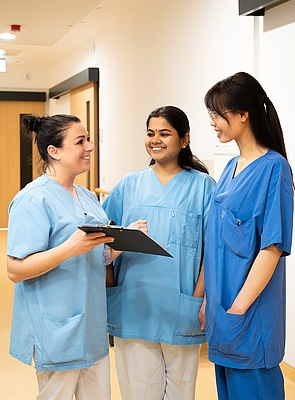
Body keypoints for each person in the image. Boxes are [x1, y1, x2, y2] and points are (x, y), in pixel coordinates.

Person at [103, 105, 216, 400]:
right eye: (151, 133)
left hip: (182, 306)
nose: (156, 139)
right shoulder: (129, 185)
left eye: (165, 133)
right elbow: (103, 239)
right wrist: (111, 286)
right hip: (133, 304)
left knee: (181, 392)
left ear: (185, 139)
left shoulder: (204, 187)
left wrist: (201, 297)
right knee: (138, 392)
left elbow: (212, 249)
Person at [6, 114, 121, 400]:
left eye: (89, 140)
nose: (90, 147)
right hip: (56, 327)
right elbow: (15, 270)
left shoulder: (87, 197)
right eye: (80, 141)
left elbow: (95, 253)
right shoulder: (33, 199)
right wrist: (70, 248)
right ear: (53, 151)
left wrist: (121, 243)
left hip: (92, 324)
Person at [200, 72, 294, 400]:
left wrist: (238, 308)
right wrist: (211, 299)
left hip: (249, 312)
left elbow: (272, 247)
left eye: (217, 114)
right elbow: (216, 243)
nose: (213, 122)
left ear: (242, 115)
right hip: (223, 308)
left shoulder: (274, 168)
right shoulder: (230, 168)